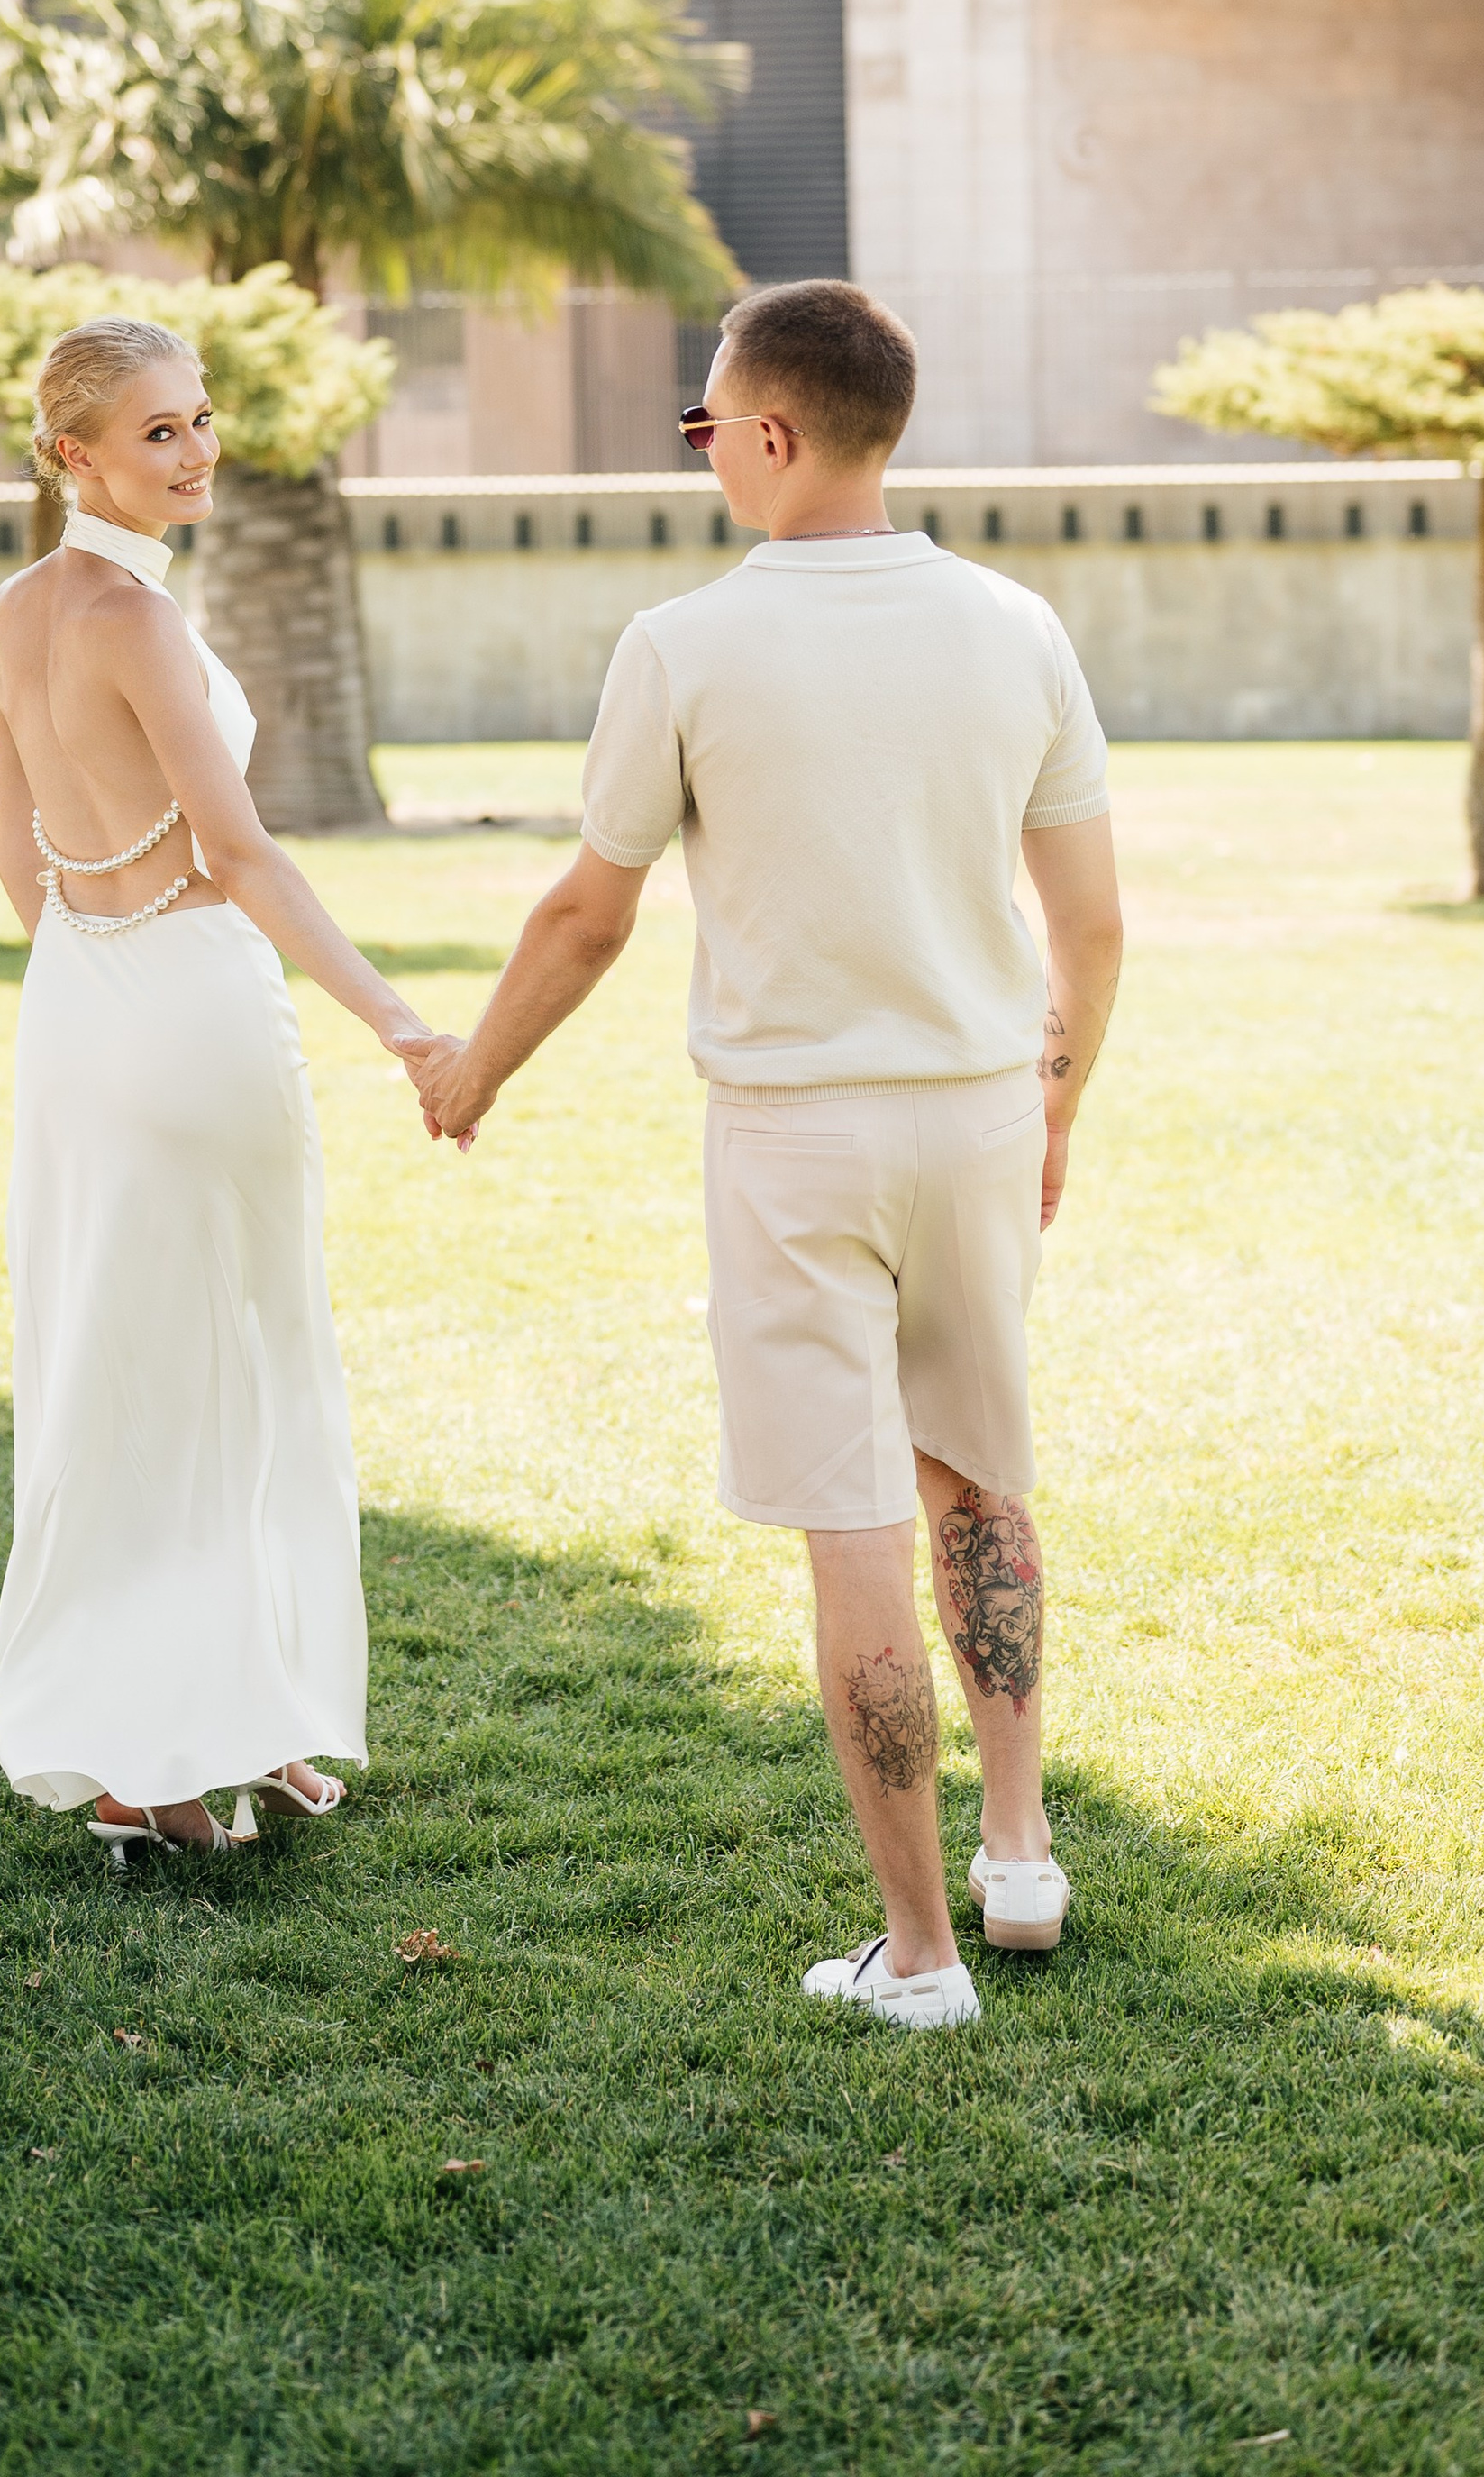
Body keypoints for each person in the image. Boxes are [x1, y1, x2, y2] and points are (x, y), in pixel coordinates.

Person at [414, 280, 1124, 2028]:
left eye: (707, 420)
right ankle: (1015, 1853)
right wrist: (1052, 1100)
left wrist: (472, 1068)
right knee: (980, 1477)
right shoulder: (1014, 625)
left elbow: (587, 912)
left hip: (793, 1141)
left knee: (851, 1528)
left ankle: (920, 1957)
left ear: (777, 433)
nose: (702, 448)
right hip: (970, 1112)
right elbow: (1089, 924)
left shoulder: (683, 642)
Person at [0, 316, 442, 1865]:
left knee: (125, 1374)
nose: (197, 451)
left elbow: (16, 860)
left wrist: (92, 987)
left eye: (199, 420)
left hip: (77, 1013)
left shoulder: (14, 610)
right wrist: (397, 1022)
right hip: (187, 1004)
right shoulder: (143, 624)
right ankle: (164, 1757)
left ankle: (221, 1729)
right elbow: (240, 856)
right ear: (75, 456)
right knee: (237, 1371)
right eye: (160, 432)